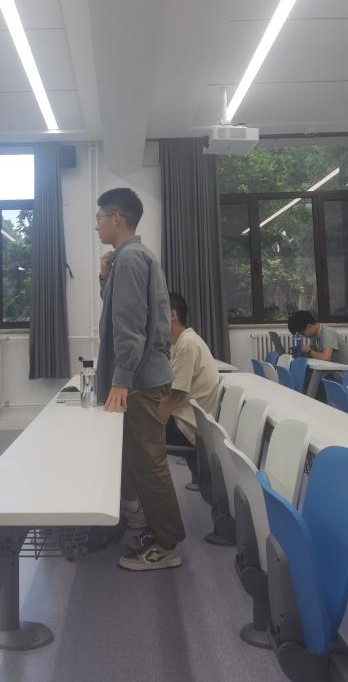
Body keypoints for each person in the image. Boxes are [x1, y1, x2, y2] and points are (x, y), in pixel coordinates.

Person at [95, 187, 183, 571]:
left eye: (99, 218)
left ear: (116, 218)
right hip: (144, 377)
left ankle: (166, 545)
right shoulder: (130, 258)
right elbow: (123, 312)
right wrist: (104, 279)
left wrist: (122, 379)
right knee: (142, 460)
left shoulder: (130, 259)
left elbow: (130, 326)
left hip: (141, 381)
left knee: (148, 463)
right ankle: (156, 530)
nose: (96, 226)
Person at [166, 292, 221, 447]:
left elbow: (176, 394)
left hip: (185, 427)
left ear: (172, 315)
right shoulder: (180, 342)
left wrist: (155, 422)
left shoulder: (187, 344)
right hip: (183, 418)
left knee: (134, 424)